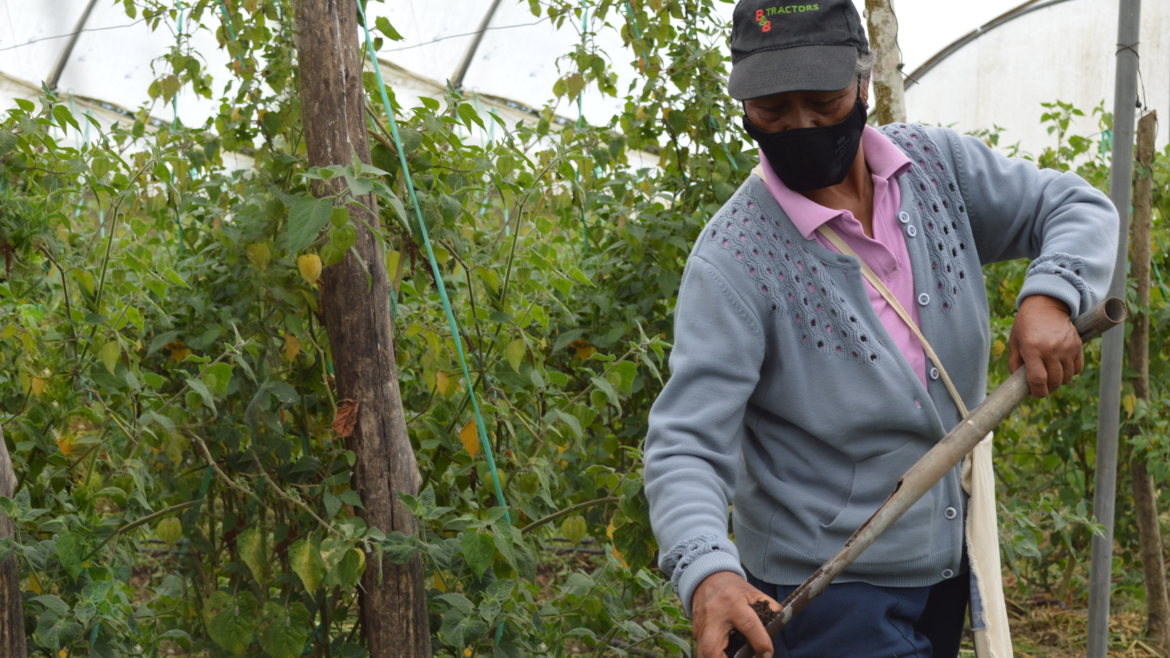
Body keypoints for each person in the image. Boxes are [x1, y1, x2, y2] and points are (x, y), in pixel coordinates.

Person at [643, 1, 1119, 657]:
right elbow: (686, 444)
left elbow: (1073, 205)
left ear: (864, 82)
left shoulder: (933, 171)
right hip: (826, 592)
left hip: (946, 566)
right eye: (772, 110)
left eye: (824, 100)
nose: (801, 125)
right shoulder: (736, 260)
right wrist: (708, 569)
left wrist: (1053, 293)